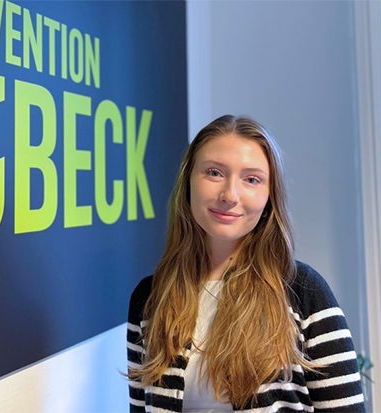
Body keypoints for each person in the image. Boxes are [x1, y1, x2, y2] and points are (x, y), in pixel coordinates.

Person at [127, 115, 366, 412]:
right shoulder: (150, 297)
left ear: (269, 197)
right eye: (214, 173)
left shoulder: (303, 291)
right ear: (188, 182)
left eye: (252, 179)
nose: (230, 195)